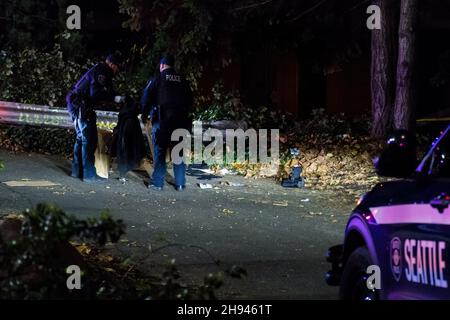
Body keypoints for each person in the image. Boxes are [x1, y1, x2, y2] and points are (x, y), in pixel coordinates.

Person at [66, 52, 122, 183]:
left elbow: (109, 91)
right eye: (117, 67)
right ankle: (89, 175)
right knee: (89, 140)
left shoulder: (101, 70)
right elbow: (96, 93)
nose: (117, 70)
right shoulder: (102, 71)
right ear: (112, 65)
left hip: (76, 104)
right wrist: (114, 98)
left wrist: (115, 98)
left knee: (81, 138)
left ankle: (76, 170)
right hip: (81, 106)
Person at [141, 55, 193, 191]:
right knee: (178, 151)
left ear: (162, 66)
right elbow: (190, 101)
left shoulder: (157, 79)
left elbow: (146, 99)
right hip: (180, 121)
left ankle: (158, 183)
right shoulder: (183, 80)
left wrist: (144, 116)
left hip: (162, 120)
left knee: (160, 150)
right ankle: (180, 183)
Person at [110, 97, 146, 182]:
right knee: (131, 150)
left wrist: (116, 129)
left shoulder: (124, 114)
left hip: (124, 131)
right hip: (131, 131)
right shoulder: (133, 116)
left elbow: (120, 125)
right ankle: (125, 171)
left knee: (124, 152)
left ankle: (122, 174)